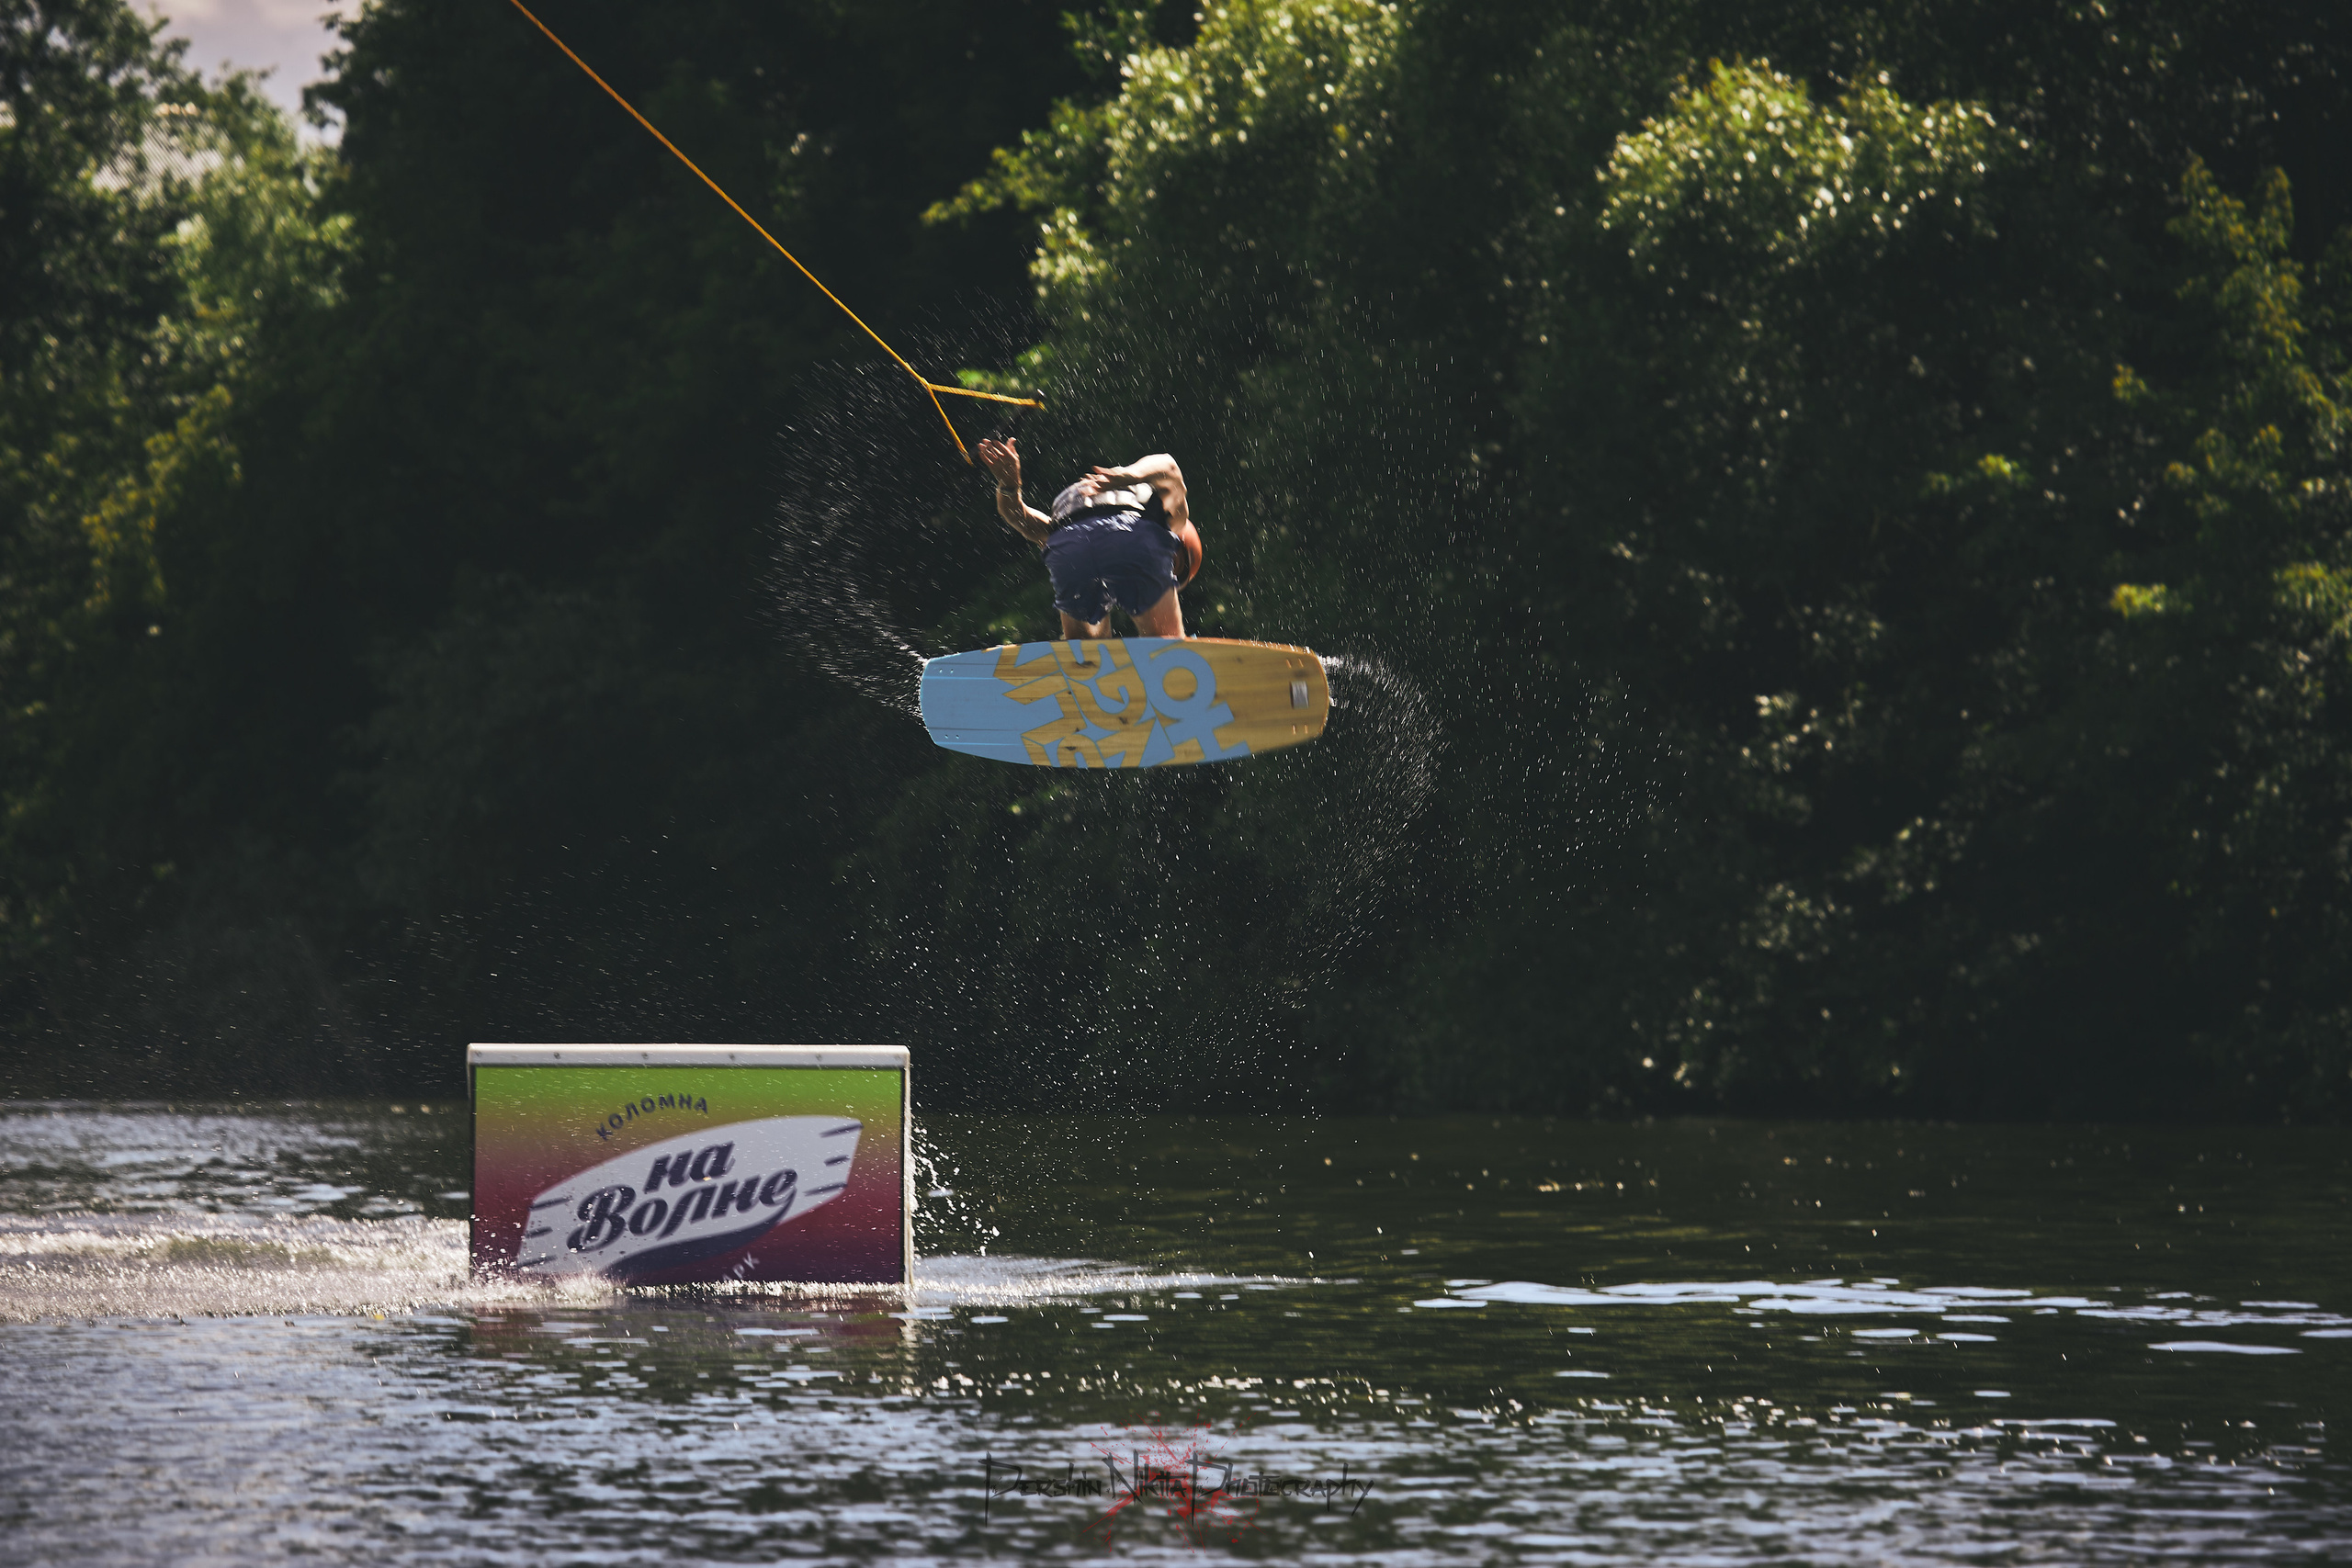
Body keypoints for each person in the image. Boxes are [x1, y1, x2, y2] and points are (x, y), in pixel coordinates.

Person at [978, 436, 1202, 641]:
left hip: (1068, 546)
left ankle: (1083, 665)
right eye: (1172, 566)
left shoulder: (1070, 517)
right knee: (1166, 645)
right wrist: (1130, 474)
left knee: (1086, 653)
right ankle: (1171, 654)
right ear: (1177, 545)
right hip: (1132, 535)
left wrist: (1009, 485)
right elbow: (1168, 464)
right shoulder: (1175, 519)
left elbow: (1018, 517)